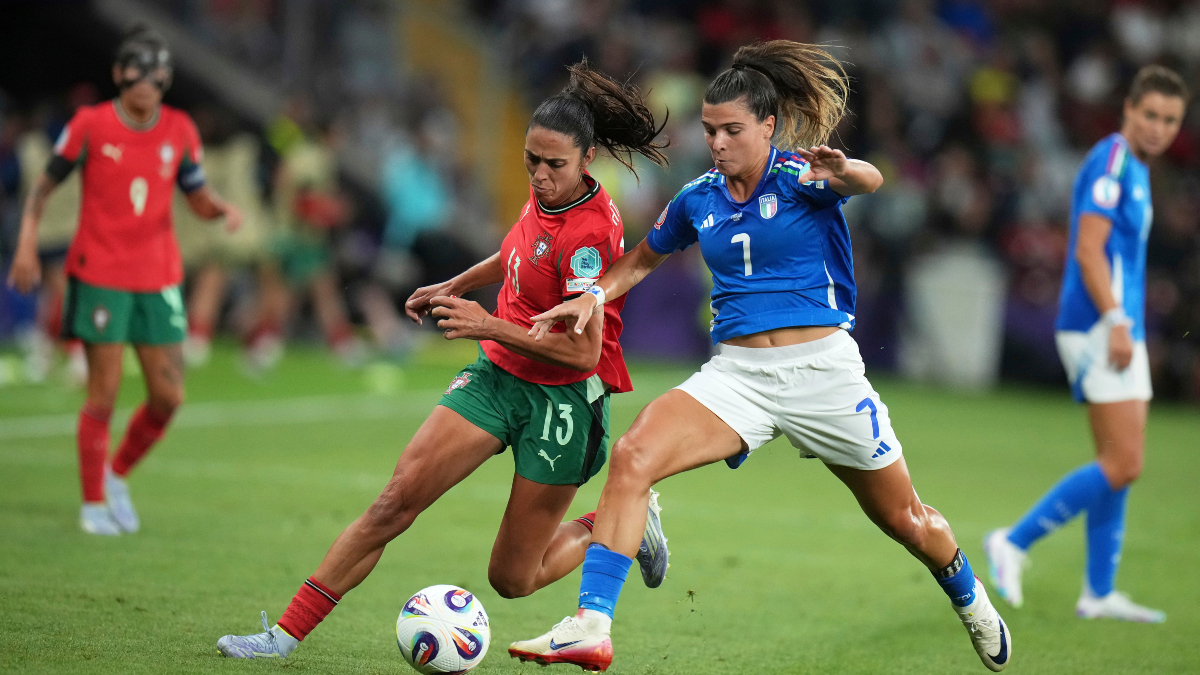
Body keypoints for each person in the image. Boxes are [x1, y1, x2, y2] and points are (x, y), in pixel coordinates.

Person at [509, 41, 1011, 673]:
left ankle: (972, 602)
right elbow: (639, 261)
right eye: (710, 130)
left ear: (768, 127)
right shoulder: (698, 197)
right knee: (633, 456)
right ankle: (590, 626)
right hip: (739, 377)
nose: (717, 143)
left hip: (824, 374)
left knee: (906, 521)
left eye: (732, 131)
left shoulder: (802, 177)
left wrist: (845, 168)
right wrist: (592, 294)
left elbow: (869, 181)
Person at [215, 61, 671, 660]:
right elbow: (519, 251)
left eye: (554, 165)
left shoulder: (589, 233)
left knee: (513, 579)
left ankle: (618, 520)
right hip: (497, 378)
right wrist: (454, 283)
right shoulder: (549, 194)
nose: (539, 175)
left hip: (563, 401)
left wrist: (487, 324)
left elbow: (583, 352)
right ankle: (281, 636)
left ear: (586, 159)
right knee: (393, 502)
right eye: (531, 160)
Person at [6, 25, 243, 535]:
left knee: (169, 397)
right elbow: (43, 186)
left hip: (158, 277)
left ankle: (116, 476)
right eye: (138, 70)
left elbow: (196, 195)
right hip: (100, 274)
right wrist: (26, 243)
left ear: (166, 80)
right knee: (104, 393)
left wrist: (220, 208)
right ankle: (93, 504)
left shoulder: (179, 129)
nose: (148, 82)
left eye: (158, 74)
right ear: (119, 74)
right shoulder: (90, 124)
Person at [983, 66, 1187, 624]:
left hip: (1121, 325)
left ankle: (1099, 591)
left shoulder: (1137, 169)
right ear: (1129, 109)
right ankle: (1013, 541)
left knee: (1119, 463)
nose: (1159, 128)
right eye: (1151, 115)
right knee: (1124, 461)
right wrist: (1117, 321)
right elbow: (1089, 251)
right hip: (1098, 325)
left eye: (1170, 120)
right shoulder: (1112, 161)